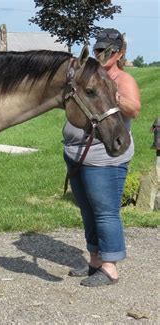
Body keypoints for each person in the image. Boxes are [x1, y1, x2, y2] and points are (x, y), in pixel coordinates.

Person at [63, 28, 141, 286]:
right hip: (78, 154)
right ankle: (95, 260)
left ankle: (110, 268)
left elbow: (135, 109)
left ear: (119, 53)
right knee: (87, 209)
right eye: (97, 49)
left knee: (106, 212)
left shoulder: (122, 78)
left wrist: (112, 95)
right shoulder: (92, 75)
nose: (99, 54)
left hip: (105, 157)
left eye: (105, 50)